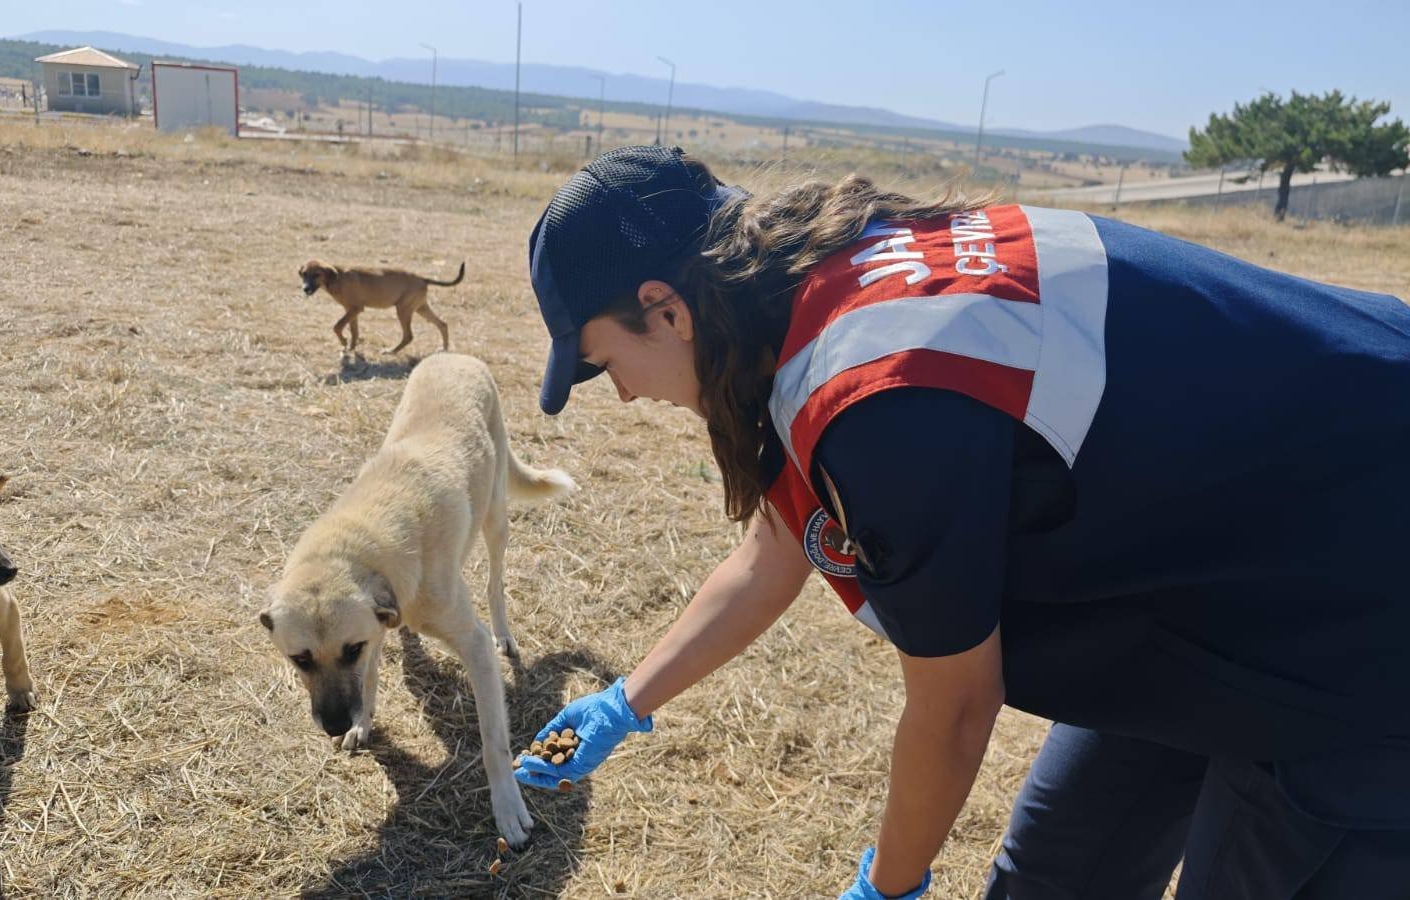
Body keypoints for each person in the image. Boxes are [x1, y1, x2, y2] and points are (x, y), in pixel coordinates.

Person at [512, 146, 1410, 899]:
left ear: (666, 309)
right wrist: (627, 703)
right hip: (1201, 582)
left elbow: (954, 709)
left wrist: (889, 885)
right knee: (1055, 871)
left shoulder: (878, 400)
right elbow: (778, 546)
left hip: (1351, 619)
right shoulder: (818, 286)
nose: (624, 393)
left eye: (605, 363)